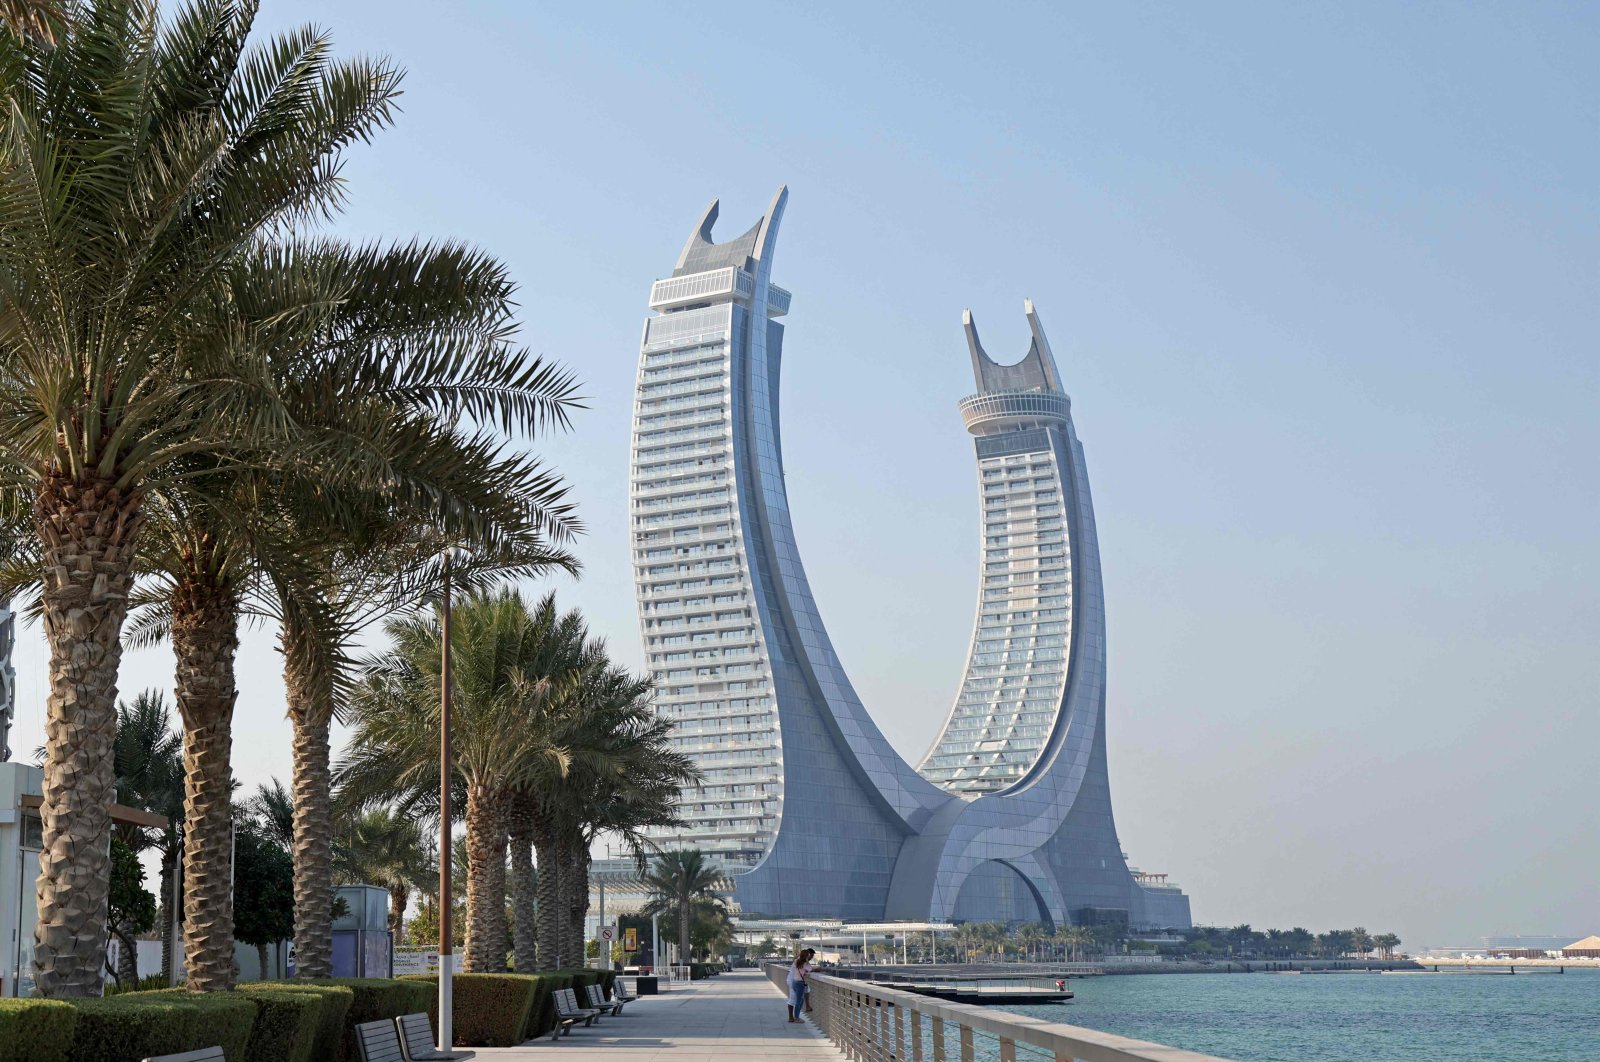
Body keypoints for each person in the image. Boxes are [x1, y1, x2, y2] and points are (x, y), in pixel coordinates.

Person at [786, 948, 814, 1022]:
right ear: (807, 956)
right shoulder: (804, 963)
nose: (811, 957)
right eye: (810, 956)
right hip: (795, 981)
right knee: (795, 1000)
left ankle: (807, 1007)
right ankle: (794, 1017)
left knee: (806, 990)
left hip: (795, 981)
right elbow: (810, 969)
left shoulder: (797, 961)